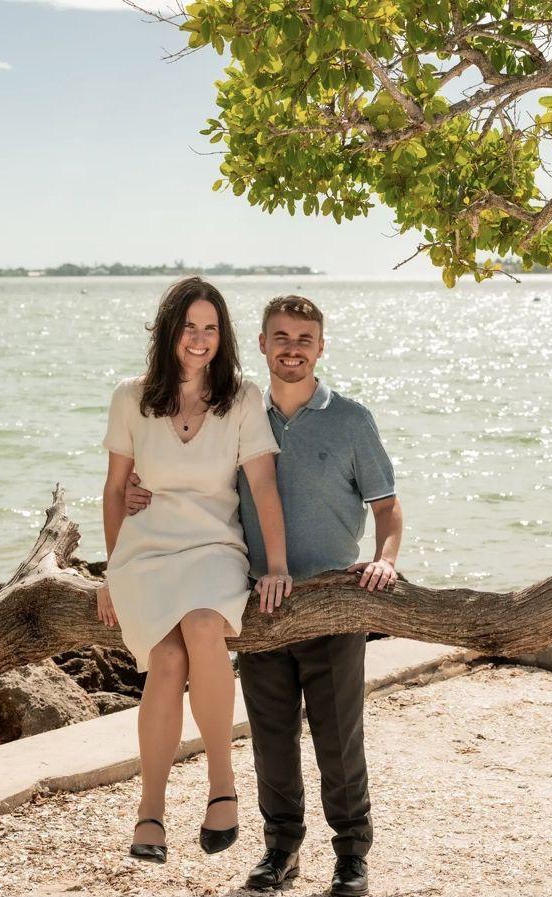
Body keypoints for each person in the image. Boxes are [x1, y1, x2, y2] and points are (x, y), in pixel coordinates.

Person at [125, 294, 403, 896]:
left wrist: (385, 560)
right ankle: (281, 850)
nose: (292, 349)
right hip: (255, 600)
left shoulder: (350, 419)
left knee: (338, 739)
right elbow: (188, 476)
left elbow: (387, 506)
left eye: (304, 339)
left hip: (331, 601)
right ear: (261, 345)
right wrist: (136, 493)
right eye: (281, 337)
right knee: (271, 737)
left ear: (321, 347)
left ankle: (351, 855)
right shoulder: (236, 408)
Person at [96, 277, 292, 866]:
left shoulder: (242, 398)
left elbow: (263, 485)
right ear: (169, 331)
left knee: (204, 627)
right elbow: (114, 490)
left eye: (211, 328)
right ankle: (150, 809)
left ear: (222, 336)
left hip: (213, 547)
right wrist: (111, 573)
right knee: (166, 658)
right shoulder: (131, 397)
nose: (200, 339)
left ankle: (221, 784)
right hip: (146, 554)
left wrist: (276, 566)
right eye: (189, 327)